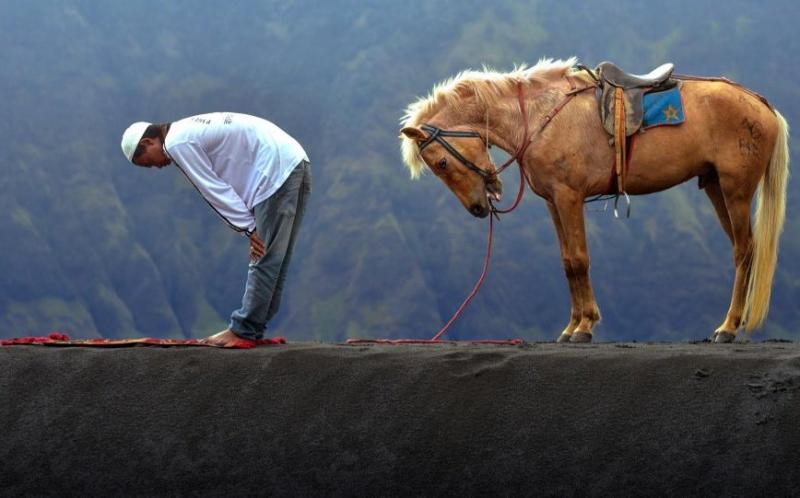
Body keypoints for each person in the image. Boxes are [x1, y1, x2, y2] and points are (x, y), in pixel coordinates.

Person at [120, 112, 311, 347]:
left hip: (273, 170)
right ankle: (255, 327)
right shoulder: (185, 129)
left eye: (148, 162)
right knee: (276, 257)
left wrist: (248, 228)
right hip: (295, 161)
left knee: (263, 254)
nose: (157, 167)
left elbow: (212, 189)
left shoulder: (176, 143)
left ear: (147, 142)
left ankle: (243, 330)